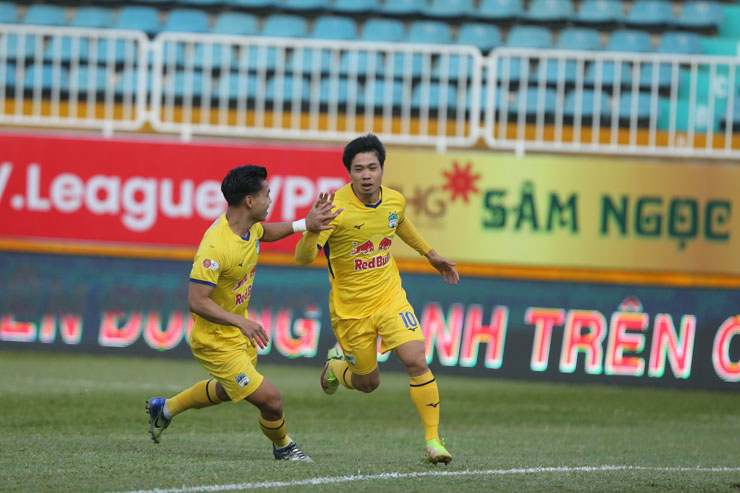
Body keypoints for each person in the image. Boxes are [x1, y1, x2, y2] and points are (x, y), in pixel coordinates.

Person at [146, 164, 340, 462]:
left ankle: (166, 409)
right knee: (271, 401)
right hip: (215, 341)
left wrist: (305, 224)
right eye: (267, 194)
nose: (271, 200)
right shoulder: (215, 246)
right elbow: (197, 302)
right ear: (249, 200)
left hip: (236, 334)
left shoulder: (248, 228)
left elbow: (266, 231)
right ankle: (284, 447)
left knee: (228, 390)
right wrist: (241, 321)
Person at [294, 134, 459, 465]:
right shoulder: (336, 210)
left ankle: (433, 440)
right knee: (368, 383)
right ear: (349, 173)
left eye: (372, 167)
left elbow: (400, 224)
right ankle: (335, 367)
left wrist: (432, 255)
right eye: (358, 169)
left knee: (416, 359)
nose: (366, 174)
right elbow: (303, 257)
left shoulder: (394, 201)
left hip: (389, 298)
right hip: (351, 311)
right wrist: (312, 229)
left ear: (382, 168)